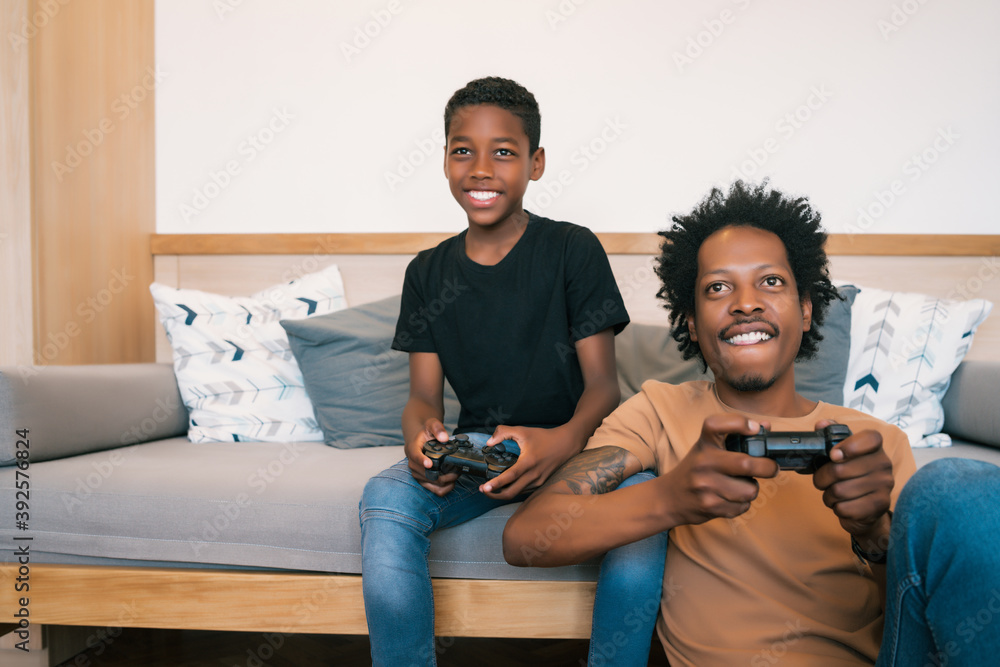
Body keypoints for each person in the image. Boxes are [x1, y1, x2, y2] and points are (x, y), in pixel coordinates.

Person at [503, 180, 920, 665]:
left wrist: (872, 532)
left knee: (956, 490)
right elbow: (526, 538)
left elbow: (922, 625)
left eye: (771, 282)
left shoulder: (878, 443)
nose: (745, 302)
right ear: (694, 325)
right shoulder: (658, 410)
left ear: (806, 311)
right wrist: (670, 497)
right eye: (718, 287)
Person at [358, 76, 667, 667]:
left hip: (575, 447)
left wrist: (560, 444)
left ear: (536, 163)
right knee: (383, 497)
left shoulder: (573, 250)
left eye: (503, 151)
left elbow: (605, 387)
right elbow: (423, 397)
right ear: (445, 162)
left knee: (643, 504)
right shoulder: (426, 273)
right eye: (462, 150)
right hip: (480, 451)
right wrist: (419, 435)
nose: (481, 168)